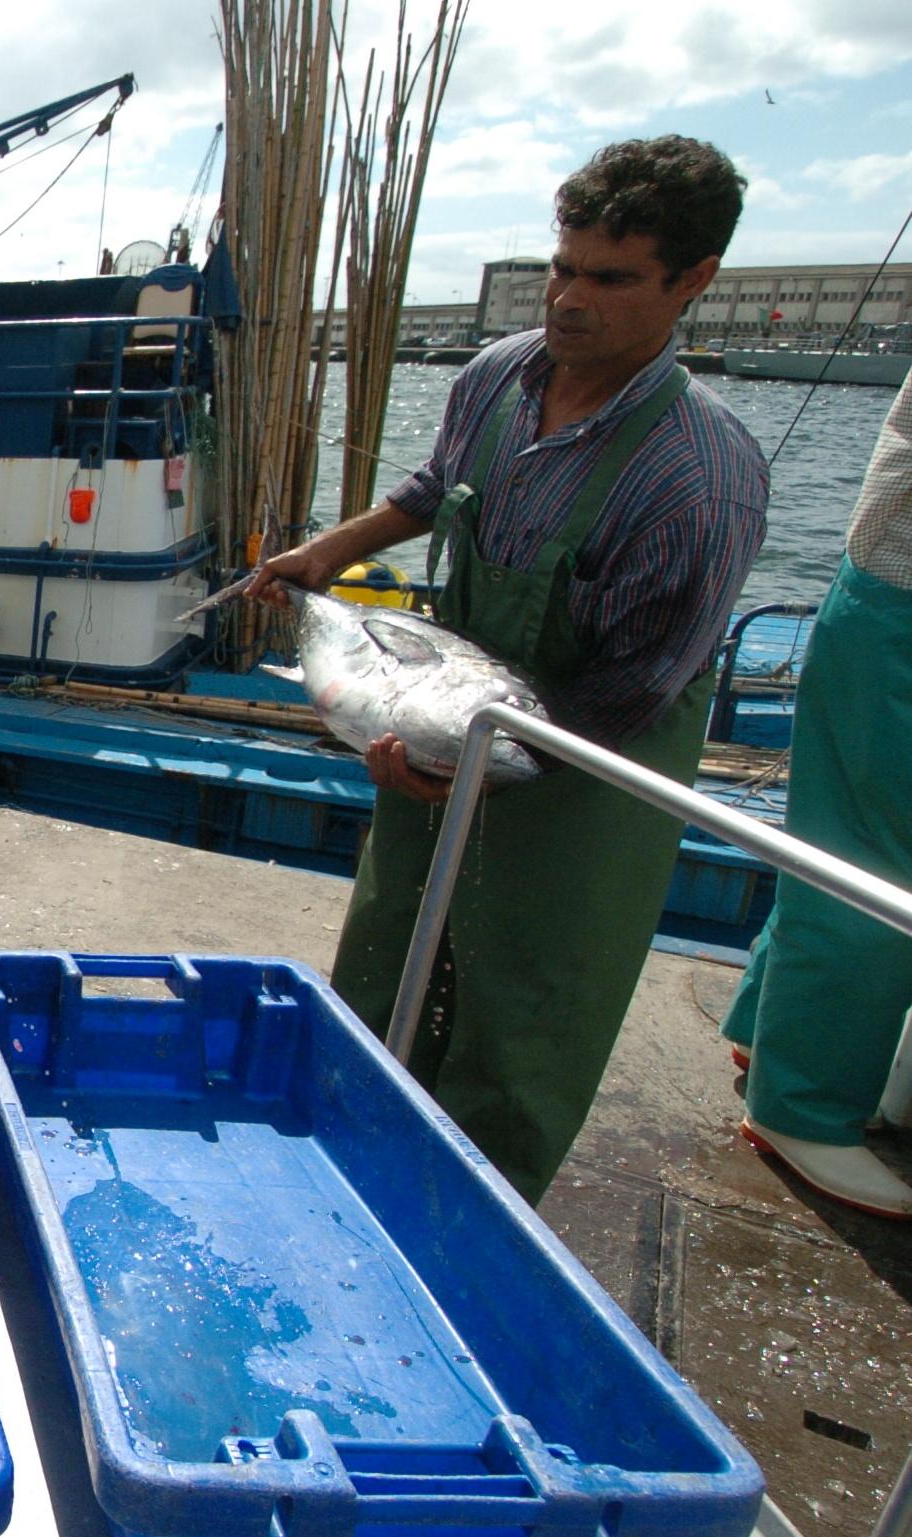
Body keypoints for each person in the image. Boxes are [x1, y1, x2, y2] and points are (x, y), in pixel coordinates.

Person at [250, 136, 769, 1202]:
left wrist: (476, 770)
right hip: (446, 732)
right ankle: (344, 1182)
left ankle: (470, 1229)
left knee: (521, 1033)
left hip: (582, 779)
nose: (570, 299)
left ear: (694, 281)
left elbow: (633, 691)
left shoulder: (701, 477)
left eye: (612, 279)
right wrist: (327, 556)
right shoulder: (497, 375)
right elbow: (434, 486)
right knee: (385, 969)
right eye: (562, 268)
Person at [720, 373, 912, 1218]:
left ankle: (771, 1035)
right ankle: (803, 1104)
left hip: (880, 595)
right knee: (880, 863)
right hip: (898, 608)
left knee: (844, 834)